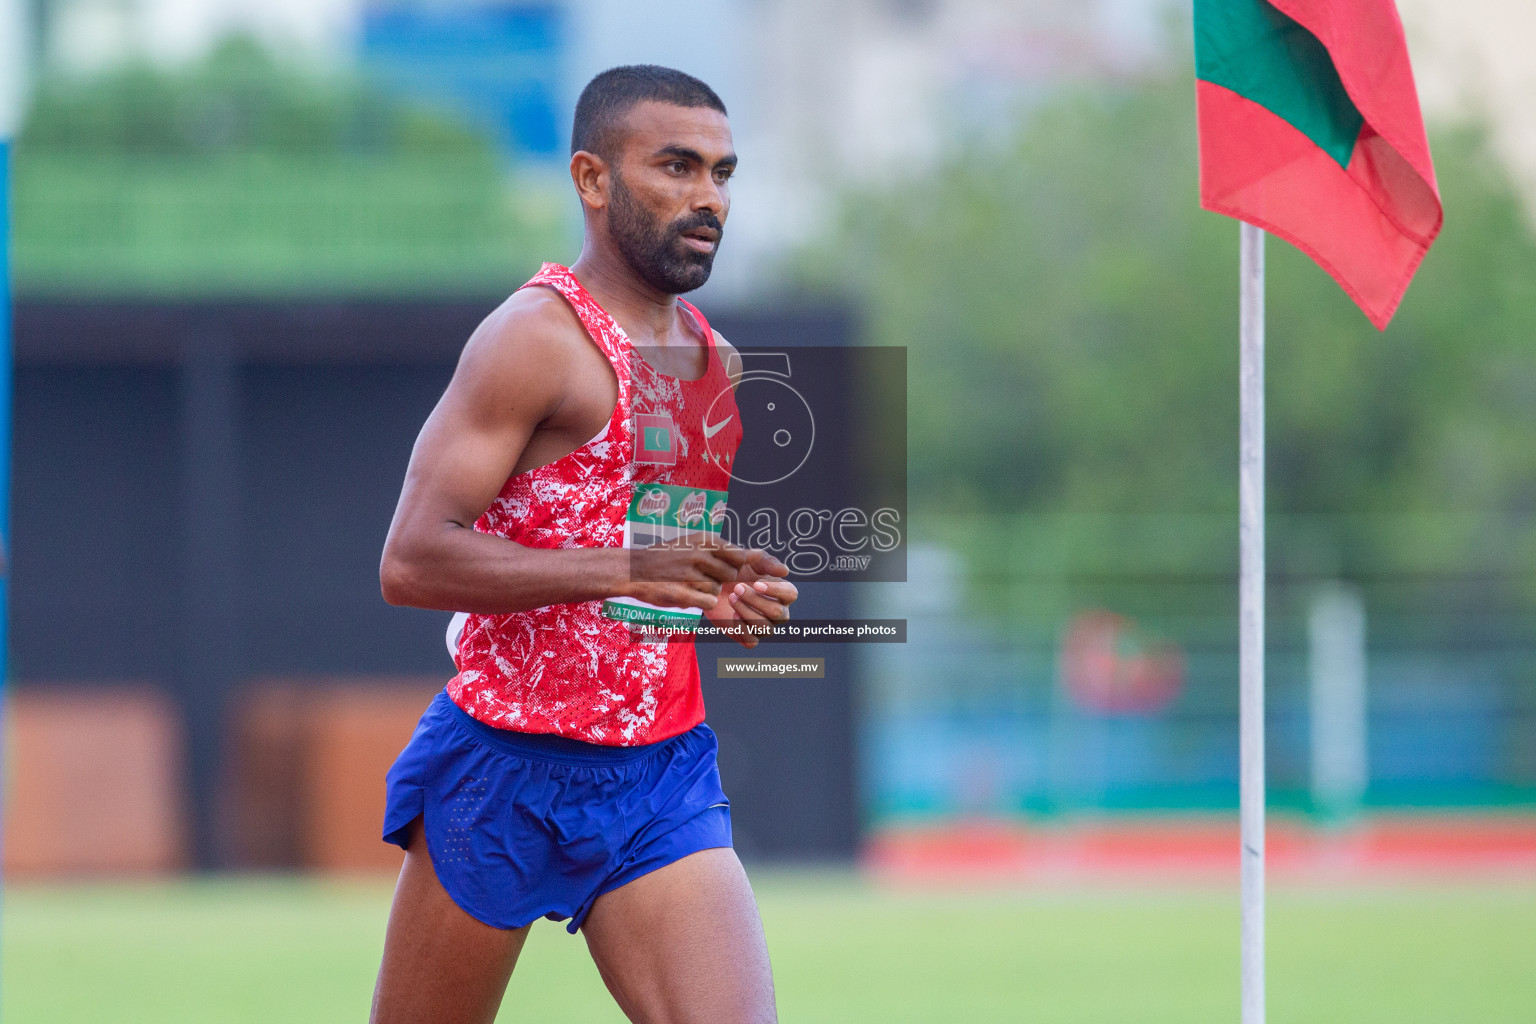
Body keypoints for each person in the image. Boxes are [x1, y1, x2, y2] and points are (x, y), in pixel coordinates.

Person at [371, 65, 795, 1024]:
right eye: (677, 167)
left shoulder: (715, 364)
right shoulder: (534, 338)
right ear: (592, 179)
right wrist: (631, 568)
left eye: (724, 173)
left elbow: (648, 586)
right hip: (501, 767)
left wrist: (712, 597)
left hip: (660, 773)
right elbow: (410, 560)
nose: (708, 198)